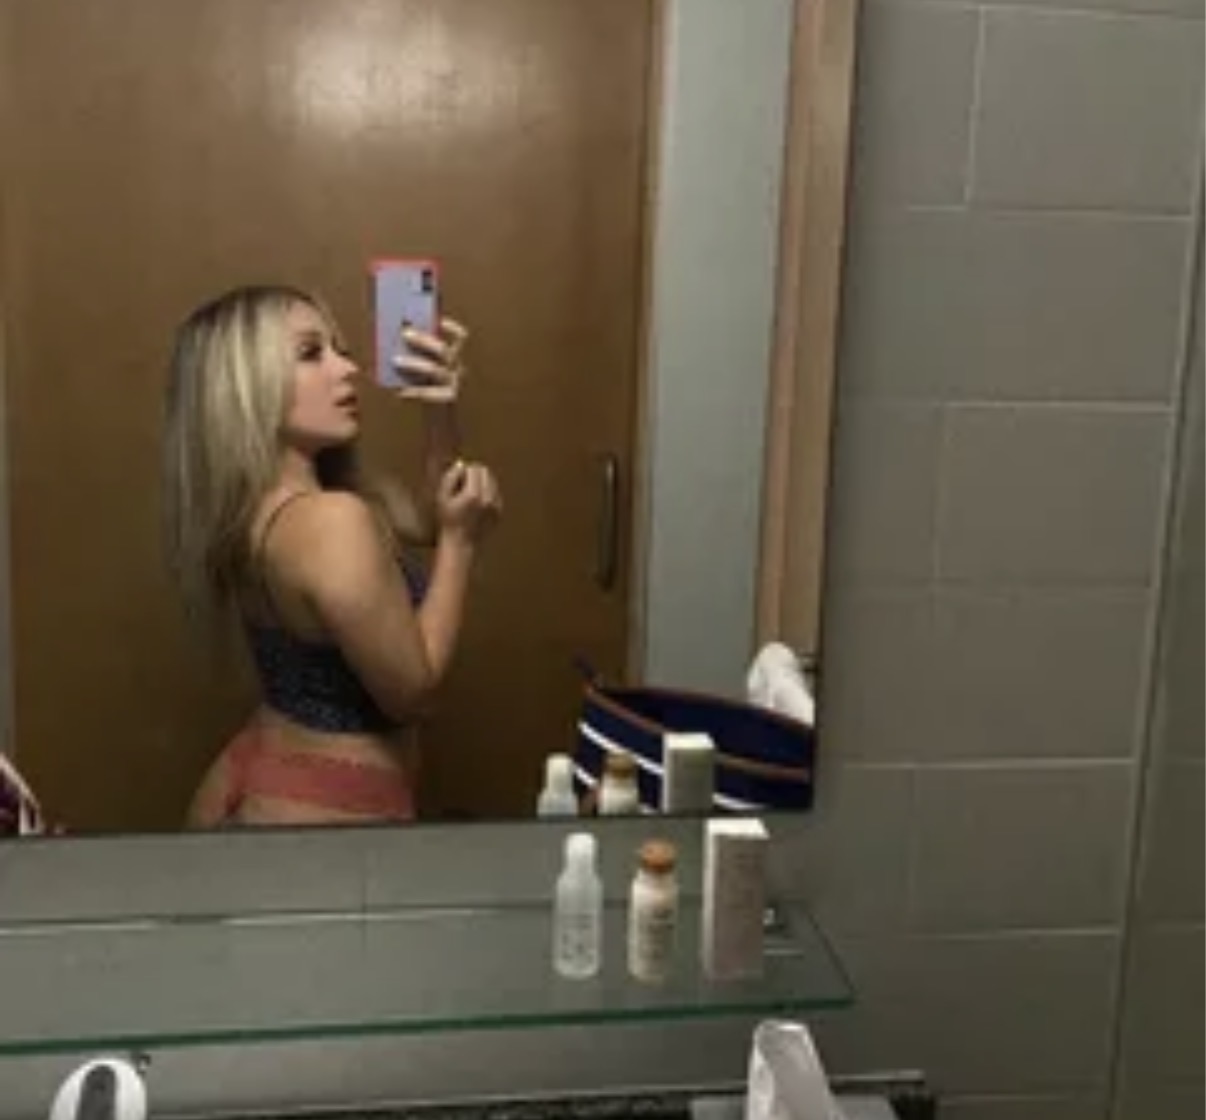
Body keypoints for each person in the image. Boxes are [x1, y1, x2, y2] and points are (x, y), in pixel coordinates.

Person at [164, 285, 501, 827]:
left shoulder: (254, 511)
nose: (347, 368)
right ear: (247, 386)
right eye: (310, 353)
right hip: (332, 808)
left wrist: (439, 411)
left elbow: (427, 517)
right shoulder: (331, 522)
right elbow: (413, 692)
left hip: (265, 770)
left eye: (340, 350)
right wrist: (462, 543)